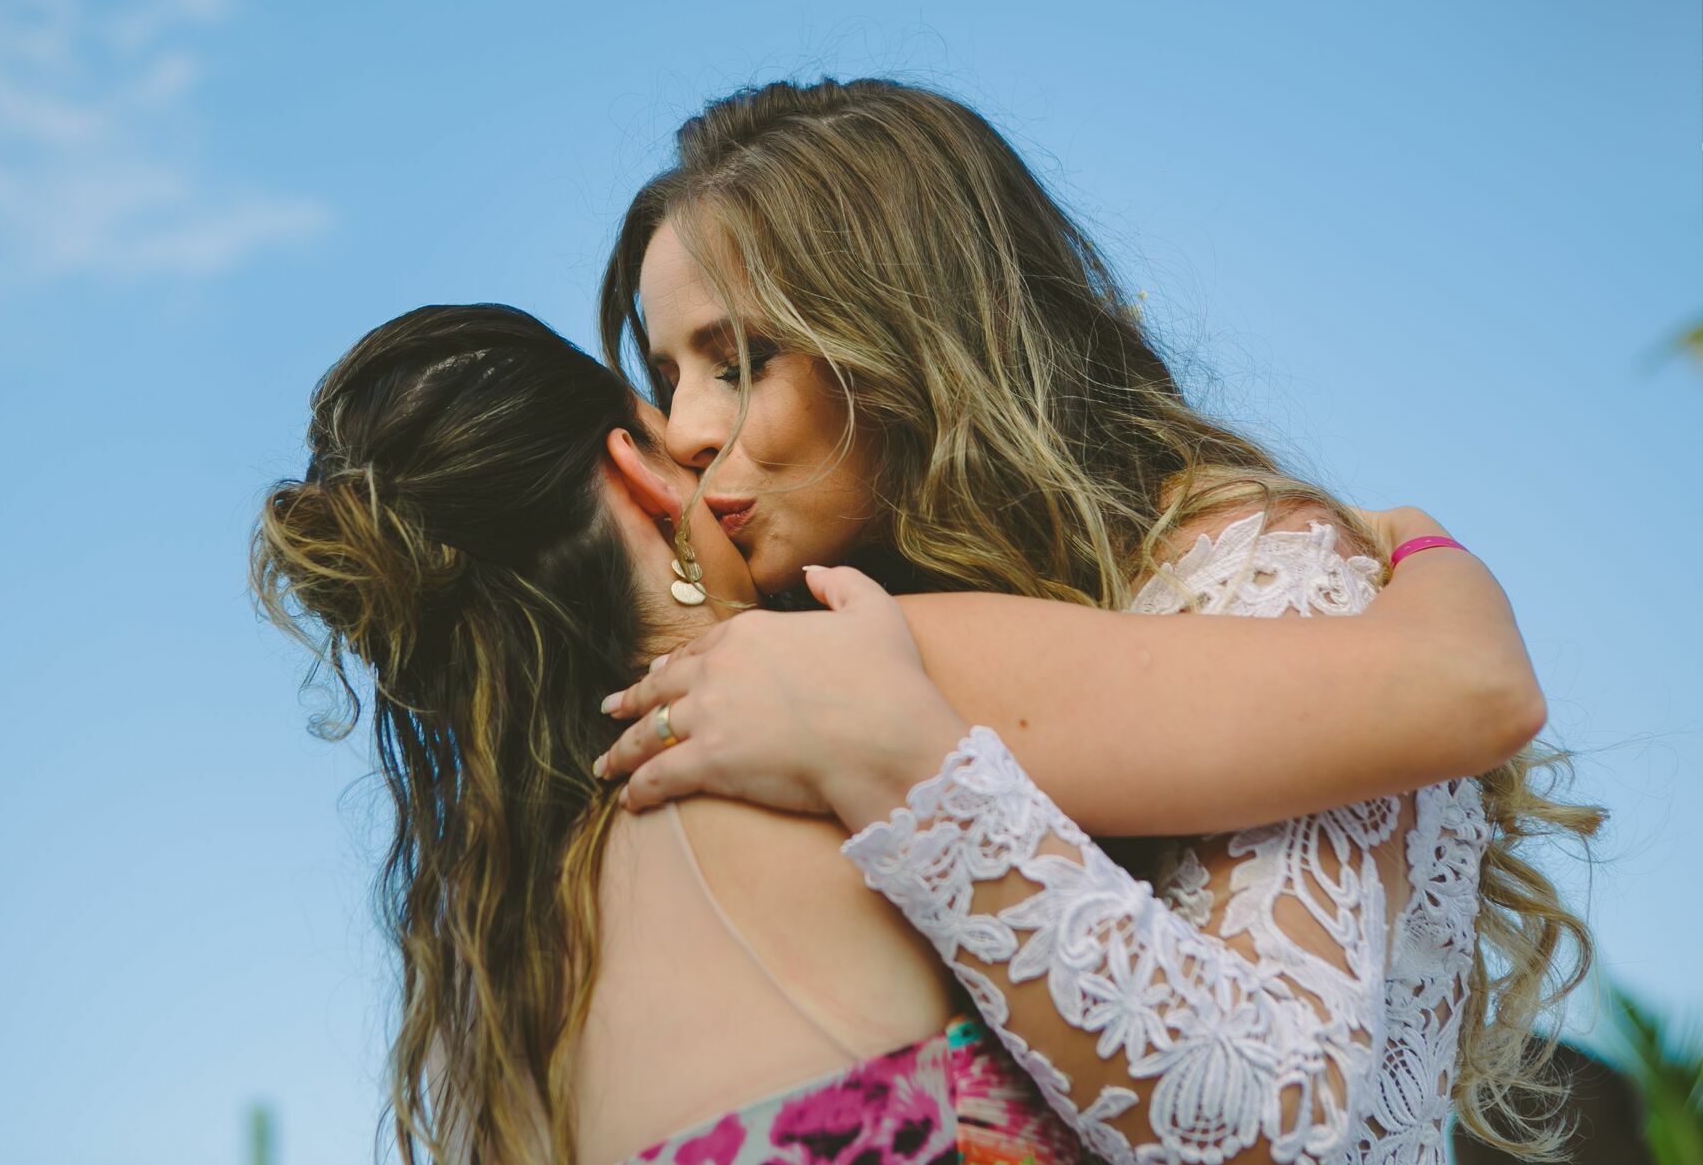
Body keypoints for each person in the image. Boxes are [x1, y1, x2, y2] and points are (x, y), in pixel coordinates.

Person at [250, 299, 1579, 1162]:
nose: (708, 437)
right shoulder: (845, 673)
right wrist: (1423, 543)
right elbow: (1458, 687)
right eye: (673, 402)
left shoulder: (509, 973)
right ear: (633, 472)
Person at [586, 77, 1602, 1164]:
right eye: (666, 372)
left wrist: (902, 769)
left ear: (906, 331)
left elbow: (1277, 1123)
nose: (685, 425)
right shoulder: (863, 640)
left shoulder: (1252, 570)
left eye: (742, 361)